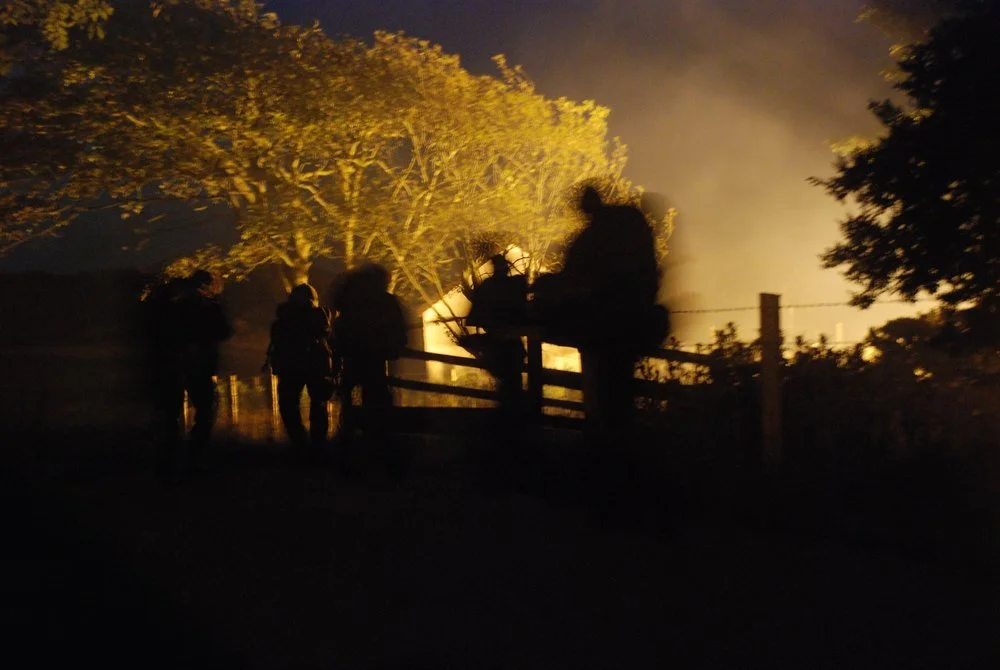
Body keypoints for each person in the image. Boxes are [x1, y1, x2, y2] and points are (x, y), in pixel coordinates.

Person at [550, 186, 664, 446]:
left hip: (604, 324)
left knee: (604, 389)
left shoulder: (595, 236)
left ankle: (606, 448)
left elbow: (578, 275)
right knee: (618, 389)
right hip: (631, 317)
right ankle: (618, 448)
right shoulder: (628, 223)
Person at [145, 269, 231, 480]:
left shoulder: (173, 307)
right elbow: (224, 332)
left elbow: (159, 334)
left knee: (170, 416)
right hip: (199, 369)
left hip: (172, 368)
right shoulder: (208, 307)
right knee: (205, 412)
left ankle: (167, 465)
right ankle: (193, 459)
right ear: (208, 286)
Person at [330, 264, 408, 457]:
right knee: (376, 397)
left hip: (353, 357)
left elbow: (340, 327)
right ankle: (377, 441)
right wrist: (395, 347)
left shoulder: (350, 300)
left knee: (351, 399)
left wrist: (339, 355)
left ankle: (349, 439)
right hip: (374, 357)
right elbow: (397, 328)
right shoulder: (383, 301)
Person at [265, 283, 335, 461]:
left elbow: (276, 343)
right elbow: (326, 333)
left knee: (290, 406)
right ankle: (317, 445)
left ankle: (301, 443)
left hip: (291, 367)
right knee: (318, 405)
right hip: (315, 366)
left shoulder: (283, 319)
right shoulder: (319, 315)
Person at [463, 254, 528, 415]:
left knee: (507, 382)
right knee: (512, 382)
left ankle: (509, 415)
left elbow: (476, 316)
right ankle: (514, 416)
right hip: (509, 345)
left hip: (498, 346)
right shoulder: (514, 285)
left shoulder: (490, 287)